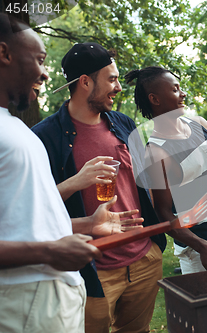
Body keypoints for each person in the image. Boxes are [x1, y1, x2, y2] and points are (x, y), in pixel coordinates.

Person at [0, 15, 142, 332]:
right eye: (38, 59)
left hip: (57, 298)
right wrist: (49, 251)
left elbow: (27, 218)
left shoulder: (13, 127)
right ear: (4, 53)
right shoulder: (42, 133)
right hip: (24, 303)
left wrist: (88, 224)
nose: (45, 72)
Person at [31, 43, 166, 333]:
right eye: (112, 79)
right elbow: (33, 207)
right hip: (92, 270)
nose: (118, 87)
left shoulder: (124, 124)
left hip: (144, 260)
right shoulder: (43, 137)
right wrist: (76, 181)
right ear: (85, 82)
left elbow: (145, 182)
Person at [124, 66, 207, 273]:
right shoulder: (156, 153)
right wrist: (202, 246)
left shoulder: (200, 123)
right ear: (155, 99)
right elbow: (163, 213)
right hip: (201, 248)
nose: (183, 93)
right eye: (175, 90)